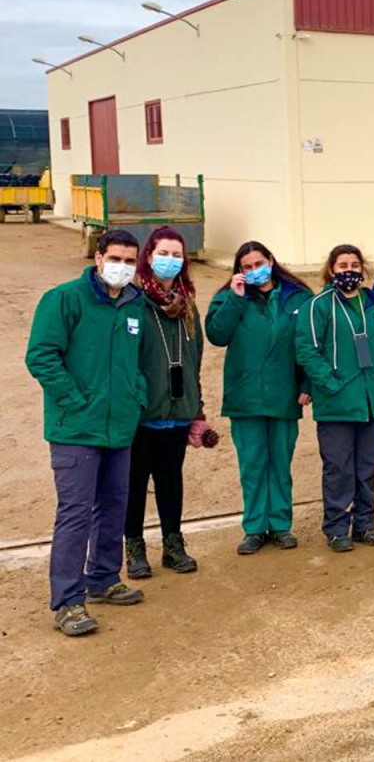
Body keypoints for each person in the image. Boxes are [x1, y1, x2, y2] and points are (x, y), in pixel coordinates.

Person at [26, 230, 148, 636]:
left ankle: (103, 578)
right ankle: (68, 601)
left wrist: (136, 398)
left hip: (119, 428)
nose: (123, 267)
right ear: (98, 258)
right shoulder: (64, 299)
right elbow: (41, 356)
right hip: (76, 428)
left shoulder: (134, 304)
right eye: (116, 258)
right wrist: (75, 400)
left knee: (115, 505)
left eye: (131, 260)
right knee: (75, 513)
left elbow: (137, 362)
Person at [206, 242, 313, 553]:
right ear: (239, 271)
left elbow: (310, 342)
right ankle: (254, 527)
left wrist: (307, 383)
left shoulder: (297, 297)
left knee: (280, 463)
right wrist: (236, 300)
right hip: (246, 396)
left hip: (284, 394)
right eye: (247, 266)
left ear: (271, 260)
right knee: (252, 465)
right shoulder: (228, 297)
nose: (255, 270)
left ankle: (280, 524)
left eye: (259, 263)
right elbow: (217, 335)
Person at [295, 245, 374, 551]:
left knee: (367, 468)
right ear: (331, 270)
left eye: (354, 264)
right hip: (337, 402)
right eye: (342, 265)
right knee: (339, 468)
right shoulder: (319, 306)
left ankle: (365, 524)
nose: (349, 270)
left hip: (372, 400)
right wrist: (331, 383)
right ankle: (337, 527)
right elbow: (307, 350)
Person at [124, 226, 207, 578]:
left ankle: (173, 545)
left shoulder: (188, 307)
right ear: (148, 257)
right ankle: (134, 548)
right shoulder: (133, 303)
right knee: (134, 484)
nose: (170, 261)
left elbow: (195, 361)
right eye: (163, 253)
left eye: (177, 254)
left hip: (177, 413)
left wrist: (197, 409)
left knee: (171, 481)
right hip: (142, 414)